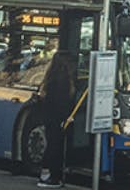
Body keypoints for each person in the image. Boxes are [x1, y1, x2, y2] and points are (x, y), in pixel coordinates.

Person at [36, 49, 77, 188]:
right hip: (57, 119)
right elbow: (61, 102)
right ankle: (50, 178)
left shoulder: (51, 78)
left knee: (52, 146)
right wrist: (65, 118)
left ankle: (46, 175)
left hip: (50, 118)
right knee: (55, 147)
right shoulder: (62, 80)